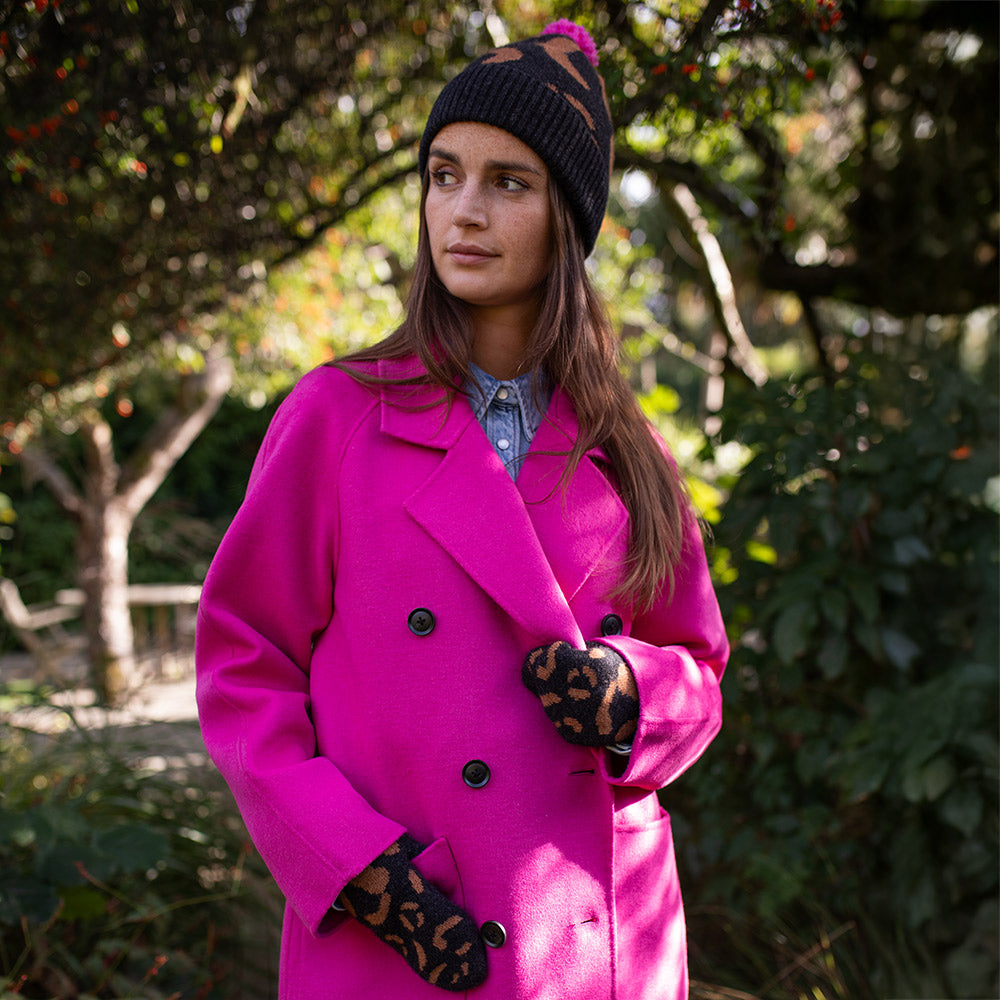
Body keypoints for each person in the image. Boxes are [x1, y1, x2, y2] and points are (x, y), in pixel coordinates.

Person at [196, 18, 729, 1000]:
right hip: (401, 934)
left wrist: (628, 695)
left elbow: (697, 666)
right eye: (444, 175)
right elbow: (241, 668)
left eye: (507, 182)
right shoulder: (338, 416)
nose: (463, 211)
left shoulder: (630, 449)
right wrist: (361, 871)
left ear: (565, 216)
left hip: (596, 937)